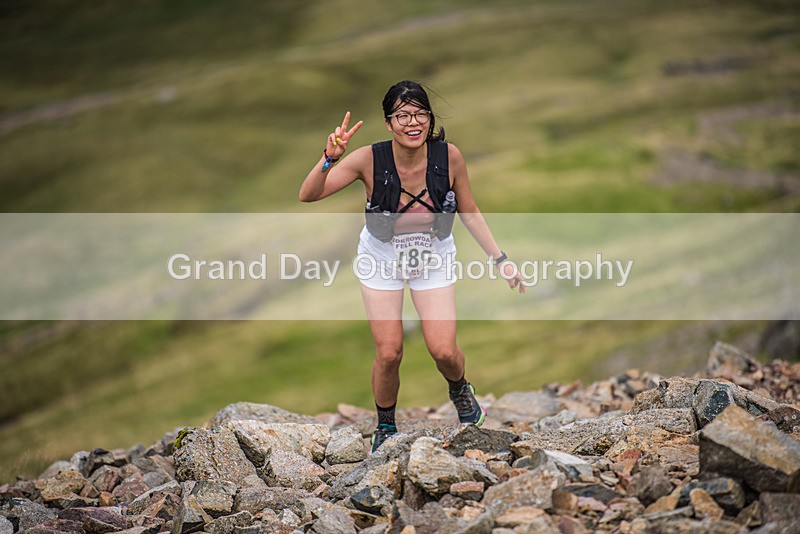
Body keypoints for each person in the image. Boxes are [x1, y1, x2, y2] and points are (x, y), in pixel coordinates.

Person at [300, 80, 525, 453]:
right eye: (402, 115)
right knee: (389, 352)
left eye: (420, 113)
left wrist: (499, 259)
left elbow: (468, 209)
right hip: (381, 257)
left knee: (443, 351)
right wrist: (330, 158)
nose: (413, 122)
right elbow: (308, 194)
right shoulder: (368, 160)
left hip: (433, 254)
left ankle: (460, 391)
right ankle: (385, 425)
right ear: (389, 123)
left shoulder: (449, 156)